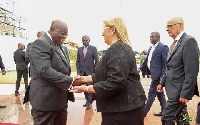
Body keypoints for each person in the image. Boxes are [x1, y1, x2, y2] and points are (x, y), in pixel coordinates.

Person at [71, 17, 146, 125]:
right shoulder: (117, 48)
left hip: (124, 110)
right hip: (122, 107)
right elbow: (104, 74)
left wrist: (86, 88)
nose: (102, 33)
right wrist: (84, 79)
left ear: (112, 29)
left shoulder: (118, 49)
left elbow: (115, 82)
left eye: (104, 29)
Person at [28, 20, 84, 125]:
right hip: (46, 101)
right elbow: (44, 70)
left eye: (66, 34)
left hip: (60, 100)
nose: (64, 37)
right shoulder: (40, 43)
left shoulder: (60, 46)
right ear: (52, 30)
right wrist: (71, 81)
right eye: (62, 34)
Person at [157, 17, 199, 125]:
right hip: (172, 89)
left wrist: (186, 93)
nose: (167, 29)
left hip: (179, 90)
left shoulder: (189, 41)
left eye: (170, 26)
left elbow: (192, 70)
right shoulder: (173, 44)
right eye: (166, 27)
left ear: (180, 25)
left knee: (166, 116)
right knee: (183, 117)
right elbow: (171, 67)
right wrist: (162, 83)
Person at [139, 32, 169, 117]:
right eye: (150, 37)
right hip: (153, 74)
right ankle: (165, 111)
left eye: (152, 37)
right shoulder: (150, 48)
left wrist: (162, 76)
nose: (150, 39)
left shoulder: (163, 47)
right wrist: (140, 69)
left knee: (151, 94)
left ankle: (143, 112)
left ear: (158, 38)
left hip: (158, 76)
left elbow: (165, 63)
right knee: (160, 93)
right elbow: (146, 61)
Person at [76, 35, 99, 110]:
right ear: (82, 41)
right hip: (82, 72)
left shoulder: (93, 49)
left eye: (86, 40)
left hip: (91, 71)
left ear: (89, 40)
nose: (85, 42)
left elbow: (97, 60)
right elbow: (78, 61)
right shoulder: (80, 49)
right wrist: (78, 71)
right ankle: (87, 100)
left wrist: (96, 71)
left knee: (90, 87)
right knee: (84, 87)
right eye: (84, 40)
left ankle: (90, 102)